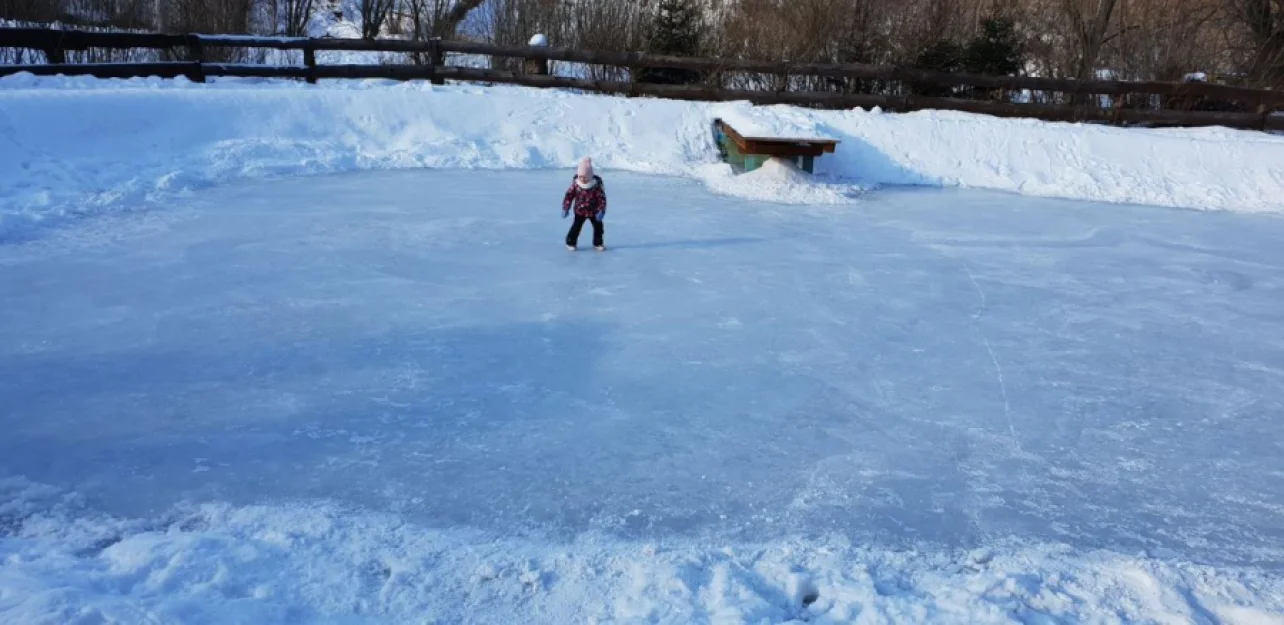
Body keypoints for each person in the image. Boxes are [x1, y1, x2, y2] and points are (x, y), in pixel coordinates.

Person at [562, 157, 607, 251]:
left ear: (590, 176)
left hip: (594, 212)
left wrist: (601, 210)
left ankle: (598, 243)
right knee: (576, 227)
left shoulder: (596, 186)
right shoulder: (576, 185)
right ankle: (570, 242)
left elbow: (601, 199)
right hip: (580, 211)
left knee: (598, 227)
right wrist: (566, 207)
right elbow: (569, 196)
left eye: (585, 177)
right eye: (580, 176)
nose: (582, 179)